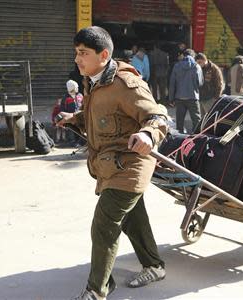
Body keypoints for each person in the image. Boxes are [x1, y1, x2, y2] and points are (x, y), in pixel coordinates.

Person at [56, 26, 168, 300]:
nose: (77, 59)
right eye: (76, 53)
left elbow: (157, 115)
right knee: (132, 219)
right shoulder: (94, 80)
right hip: (110, 165)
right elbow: (102, 113)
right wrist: (75, 118)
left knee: (104, 224)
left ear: (103, 54)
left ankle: (97, 290)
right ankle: (154, 266)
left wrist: (148, 134)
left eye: (83, 53)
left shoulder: (126, 84)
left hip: (130, 166)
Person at [168, 48, 203, 133]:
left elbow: (172, 83)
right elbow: (200, 83)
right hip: (193, 97)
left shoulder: (177, 66)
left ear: (183, 55)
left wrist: (171, 99)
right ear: (193, 56)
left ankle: (179, 140)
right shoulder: (196, 66)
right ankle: (196, 139)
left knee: (179, 122)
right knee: (197, 121)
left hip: (179, 98)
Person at [61, 80, 84, 145]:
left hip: (79, 116)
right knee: (72, 130)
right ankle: (73, 142)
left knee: (81, 129)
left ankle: (81, 142)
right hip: (70, 118)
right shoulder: (65, 98)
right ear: (72, 88)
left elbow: (83, 104)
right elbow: (62, 109)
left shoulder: (80, 95)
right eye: (76, 87)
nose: (78, 88)